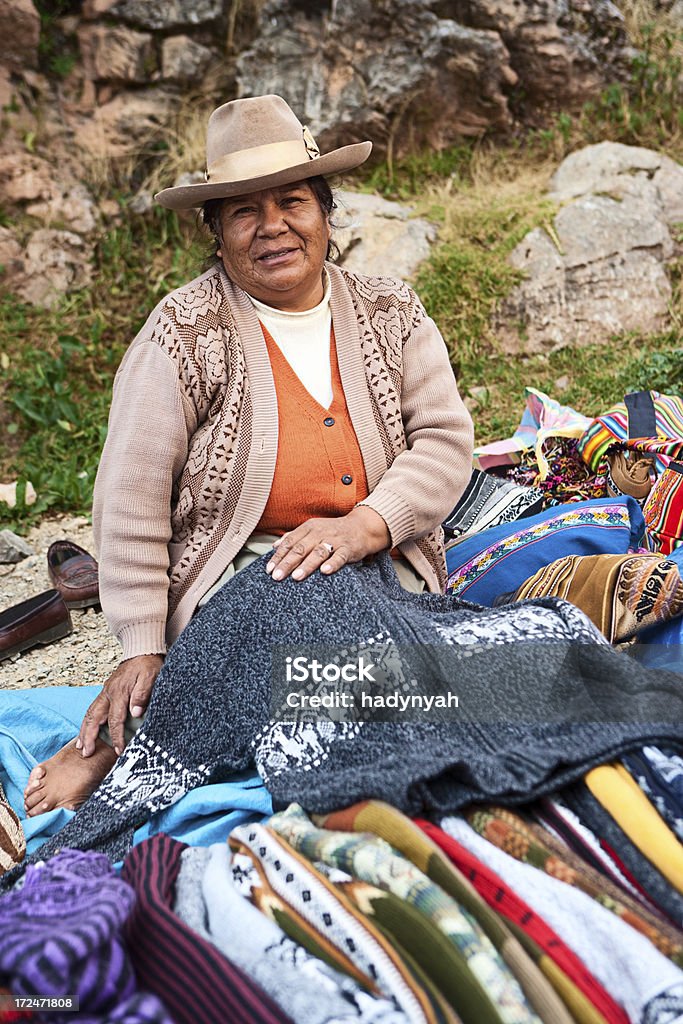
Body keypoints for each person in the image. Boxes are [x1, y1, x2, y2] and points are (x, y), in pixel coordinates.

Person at [23, 94, 474, 816]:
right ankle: (129, 741)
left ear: (325, 211)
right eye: (242, 211)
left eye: (292, 201)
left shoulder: (391, 311)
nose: (272, 227)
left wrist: (365, 525)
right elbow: (130, 497)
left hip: (381, 562)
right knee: (302, 627)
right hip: (241, 580)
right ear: (217, 230)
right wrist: (142, 644)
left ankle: (144, 736)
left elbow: (446, 443)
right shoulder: (183, 331)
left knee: (409, 669)